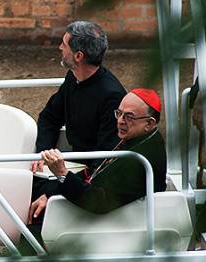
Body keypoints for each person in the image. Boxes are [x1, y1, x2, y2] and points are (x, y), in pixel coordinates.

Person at [29, 88, 166, 221]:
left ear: (149, 123)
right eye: (118, 113)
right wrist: (51, 193)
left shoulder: (142, 158)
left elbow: (100, 203)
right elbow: (96, 172)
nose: (120, 121)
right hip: (93, 207)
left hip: (107, 224)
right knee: (36, 185)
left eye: (129, 116)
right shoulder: (135, 138)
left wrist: (63, 174)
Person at [32, 21, 126, 198]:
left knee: (34, 190)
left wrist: (55, 188)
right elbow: (49, 117)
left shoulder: (111, 96)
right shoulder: (73, 77)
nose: (60, 47)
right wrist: (42, 153)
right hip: (70, 163)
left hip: (88, 177)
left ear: (78, 56)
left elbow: (103, 161)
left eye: (64, 44)